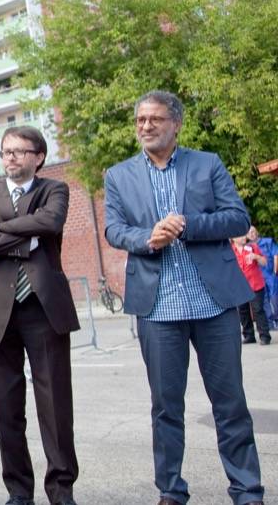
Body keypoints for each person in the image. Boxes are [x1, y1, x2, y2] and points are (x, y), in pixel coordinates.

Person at [104, 90, 264, 505]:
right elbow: (115, 230)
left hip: (213, 305)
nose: (145, 126)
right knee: (165, 408)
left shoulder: (206, 164)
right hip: (158, 310)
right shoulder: (118, 175)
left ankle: (247, 491)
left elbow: (237, 217)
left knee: (230, 405)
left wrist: (187, 225)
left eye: (155, 119)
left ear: (176, 124)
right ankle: (171, 492)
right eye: (140, 120)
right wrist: (147, 238)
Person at [0, 126, 80, 505]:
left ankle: (61, 489)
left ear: (39, 157)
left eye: (19, 151)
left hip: (44, 307)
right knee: (6, 408)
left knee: (55, 405)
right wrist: (25, 237)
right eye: (5, 151)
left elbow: (51, 223)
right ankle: (18, 491)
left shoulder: (55, 190)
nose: (11, 157)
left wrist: (3, 230)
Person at [232, 232, 271, 345]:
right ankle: (249, 335)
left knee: (258, 310)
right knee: (243, 311)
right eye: (241, 235)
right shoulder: (230, 251)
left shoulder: (252, 247)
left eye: (244, 235)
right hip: (239, 286)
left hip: (256, 284)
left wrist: (257, 257)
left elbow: (264, 262)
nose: (244, 237)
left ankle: (264, 335)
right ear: (234, 238)